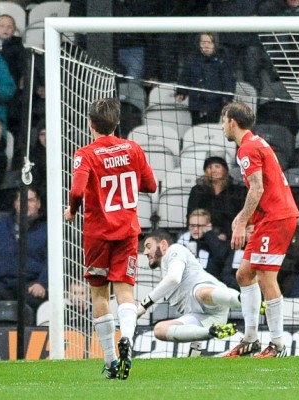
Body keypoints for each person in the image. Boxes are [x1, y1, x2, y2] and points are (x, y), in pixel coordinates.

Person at [64, 98, 157, 380]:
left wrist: (71, 210)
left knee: (100, 295)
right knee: (125, 293)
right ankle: (127, 336)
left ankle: (110, 360)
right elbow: (151, 185)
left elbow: (78, 191)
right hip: (127, 232)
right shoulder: (133, 148)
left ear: (90, 123)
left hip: (98, 235)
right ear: (116, 123)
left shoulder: (86, 153)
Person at [220, 102, 299, 358]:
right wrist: (246, 217)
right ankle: (251, 338)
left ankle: (277, 344)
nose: (223, 126)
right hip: (269, 217)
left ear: (232, 121)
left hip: (277, 217)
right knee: (244, 275)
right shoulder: (256, 143)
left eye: (224, 121)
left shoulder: (247, 148)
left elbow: (257, 188)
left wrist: (242, 221)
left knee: (266, 277)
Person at [138, 230, 240, 357]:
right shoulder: (165, 272)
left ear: (163, 245)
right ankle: (212, 331)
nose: (145, 252)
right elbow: (190, 307)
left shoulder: (175, 250)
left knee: (200, 294)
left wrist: (143, 305)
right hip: (206, 317)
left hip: (215, 296)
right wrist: (195, 349)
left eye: (148, 246)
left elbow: (174, 278)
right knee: (159, 330)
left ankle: (247, 302)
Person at [0, 185, 48, 316]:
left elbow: (52, 261)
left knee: (36, 302)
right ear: (15, 204)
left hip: (31, 285)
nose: (25, 204)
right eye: (21, 200)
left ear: (38, 204)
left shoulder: (47, 230)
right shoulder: (0, 226)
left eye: (30, 200)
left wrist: (42, 283)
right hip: (2, 284)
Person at [176, 32, 236, 125]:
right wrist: (181, 92)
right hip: (196, 103)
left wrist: (227, 97)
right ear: (198, 44)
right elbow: (185, 77)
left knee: (212, 127)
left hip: (214, 103)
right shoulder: (192, 59)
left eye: (209, 43)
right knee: (196, 128)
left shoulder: (222, 60)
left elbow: (228, 79)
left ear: (215, 44)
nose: (206, 46)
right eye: (203, 43)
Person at [187, 155, 246, 239]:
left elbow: (241, 217)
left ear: (225, 170)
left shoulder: (237, 191)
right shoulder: (197, 191)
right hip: (203, 235)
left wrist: (227, 235)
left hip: (231, 236)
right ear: (205, 171)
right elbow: (191, 215)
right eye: (209, 167)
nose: (213, 170)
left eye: (217, 166)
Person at [0, 14, 26, 145]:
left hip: (12, 97)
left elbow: (23, 70)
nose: (5, 29)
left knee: (13, 130)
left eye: (9, 27)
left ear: (14, 29)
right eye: (2, 26)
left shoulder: (18, 47)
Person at [177, 208, 230, 281]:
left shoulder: (215, 240)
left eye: (199, 226)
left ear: (208, 226)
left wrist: (209, 234)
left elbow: (222, 256)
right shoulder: (183, 240)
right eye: (192, 226)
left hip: (212, 281)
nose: (195, 229)